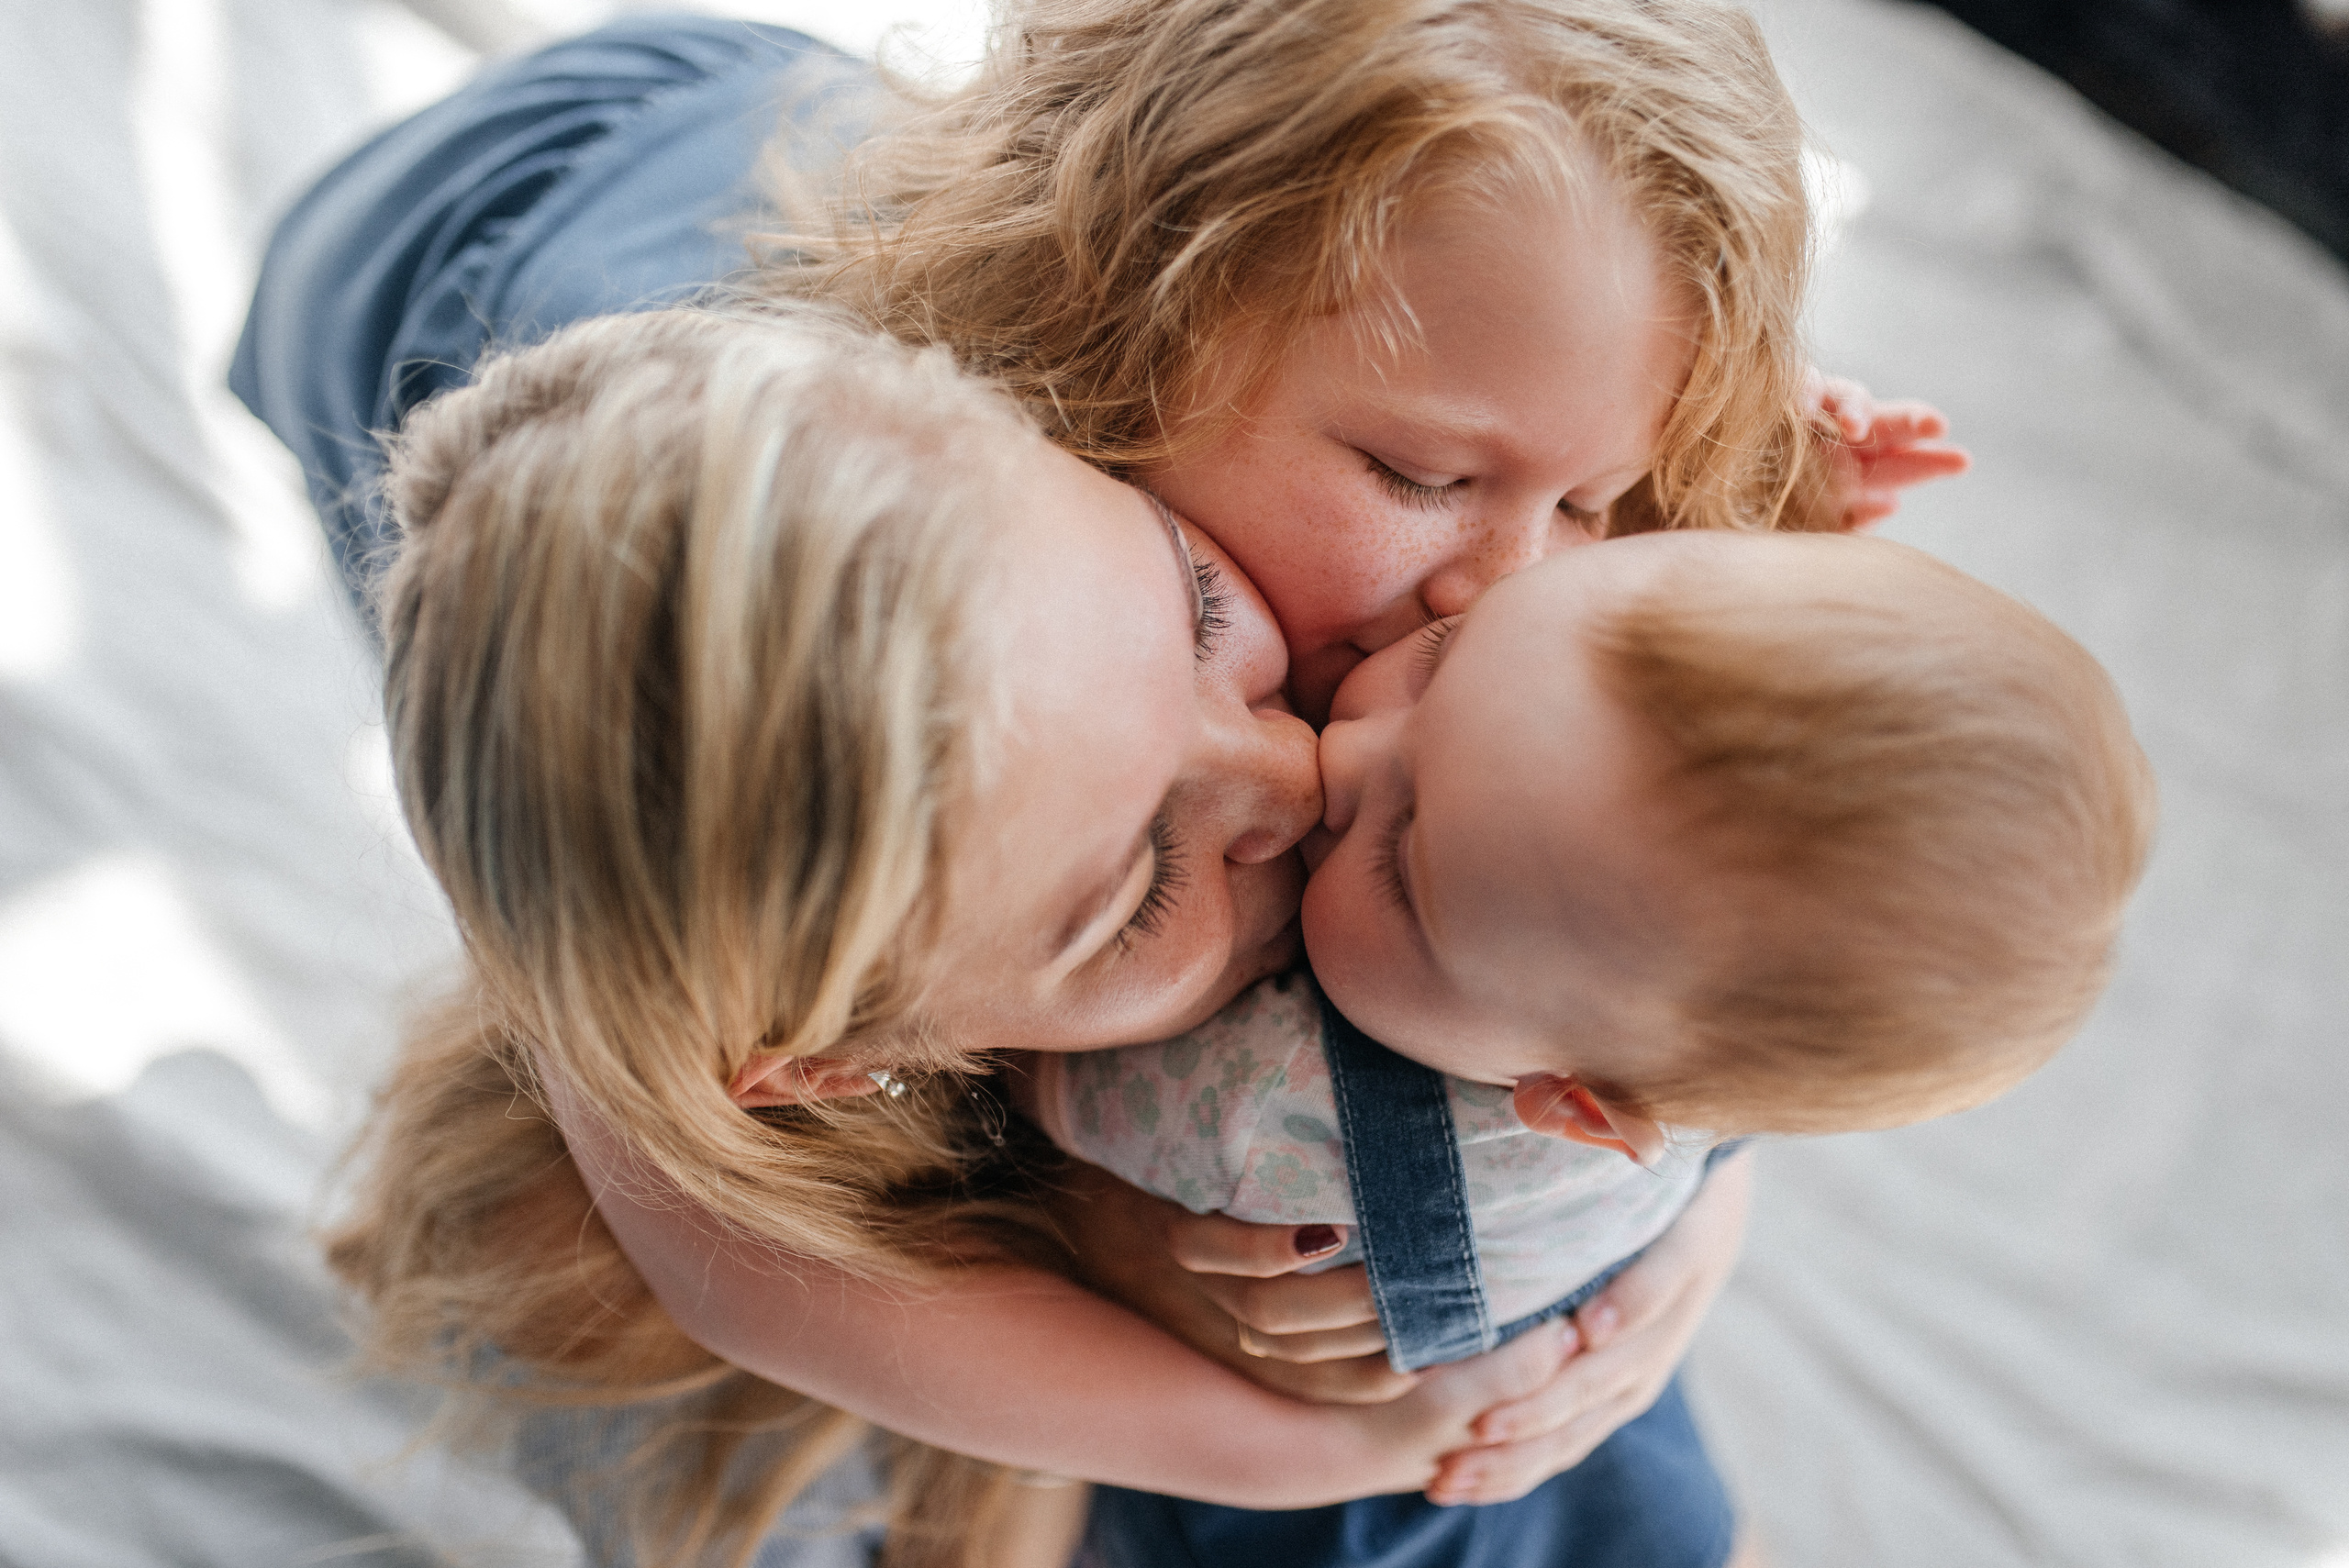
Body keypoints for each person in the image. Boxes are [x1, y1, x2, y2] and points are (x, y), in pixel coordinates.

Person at [236, 0, 1971, 1561]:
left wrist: (1671, 1246)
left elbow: (1681, 925)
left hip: (734, 118)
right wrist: (1300, 1443)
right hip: (457, 263)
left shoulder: (1429, 530)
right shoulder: (757, 689)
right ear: (1116, 322)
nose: (1521, 585)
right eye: (1418, 470)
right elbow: (724, 1230)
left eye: (1605, 494)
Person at [1021, 529, 2154, 1560]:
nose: (1345, 751)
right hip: (1628, 1476)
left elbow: (1019, 1073)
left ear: (1574, 1106)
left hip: (1380, 1526)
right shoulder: (1688, 1008)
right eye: (1440, 659)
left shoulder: (1276, 1099)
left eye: (1403, 860)